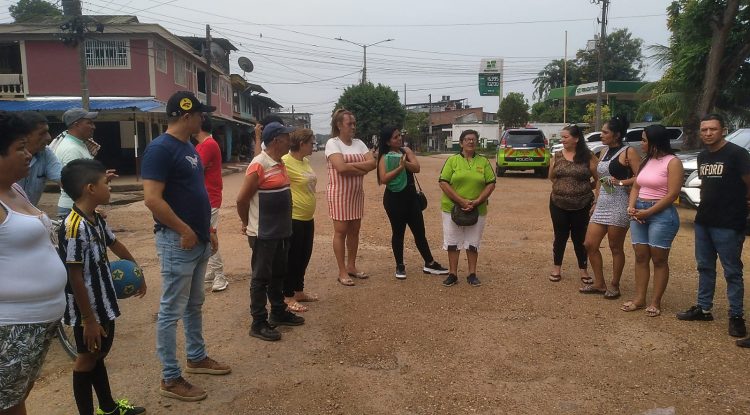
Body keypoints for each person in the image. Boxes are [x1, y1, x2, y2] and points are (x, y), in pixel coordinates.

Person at [142, 91, 231, 402]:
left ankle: (196, 356)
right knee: (170, 310)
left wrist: (207, 230)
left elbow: (195, 194)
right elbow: (152, 199)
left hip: (197, 238)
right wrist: (183, 229)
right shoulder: (160, 149)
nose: (202, 118)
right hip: (177, 241)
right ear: (185, 115)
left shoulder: (189, 147)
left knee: (194, 304)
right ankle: (170, 376)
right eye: (199, 114)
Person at [58, 159, 146, 415]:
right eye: (106, 183)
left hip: (103, 304)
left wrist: (137, 270)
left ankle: (108, 407)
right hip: (88, 310)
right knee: (85, 360)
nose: (110, 188)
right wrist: (89, 320)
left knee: (97, 356)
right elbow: (74, 276)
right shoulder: (74, 227)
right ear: (90, 189)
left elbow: (114, 244)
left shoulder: (95, 218)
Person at [0, 111, 67, 415]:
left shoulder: (14, 188)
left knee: (17, 396)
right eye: (20, 149)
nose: (29, 155)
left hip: (41, 320)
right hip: (12, 325)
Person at [674, 114, 750, 343]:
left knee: (732, 271)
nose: (708, 133)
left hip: (729, 222)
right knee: (704, 266)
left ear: (723, 130)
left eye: (713, 129)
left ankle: (736, 315)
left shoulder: (737, 154)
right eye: (704, 130)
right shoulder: (703, 156)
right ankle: (704, 308)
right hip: (704, 220)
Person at [237, 122, 305, 341]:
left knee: (278, 275)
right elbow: (241, 200)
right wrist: (247, 223)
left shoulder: (279, 162)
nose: (290, 140)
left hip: (281, 232)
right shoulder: (259, 165)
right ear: (277, 140)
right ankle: (258, 322)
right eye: (287, 137)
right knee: (260, 278)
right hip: (263, 234)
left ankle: (277, 312)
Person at [622, 125, 683, 317]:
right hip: (639, 212)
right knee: (640, 256)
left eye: (644, 140)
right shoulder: (645, 161)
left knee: (658, 259)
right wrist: (631, 207)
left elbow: (672, 194)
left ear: (655, 141)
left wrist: (648, 212)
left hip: (661, 214)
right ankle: (639, 298)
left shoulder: (672, 162)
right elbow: (636, 187)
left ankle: (655, 301)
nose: (641, 144)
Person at [377, 125, 448, 280]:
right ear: (388, 141)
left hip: (411, 198)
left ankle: (429, 263)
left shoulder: (406, 151)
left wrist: (405, 164)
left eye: (399, 135)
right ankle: (400, 266)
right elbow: (383, 179)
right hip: (393, 199)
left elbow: (417, 168)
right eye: (395, 137)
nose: (399, 138)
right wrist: (399, 169)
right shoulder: (383, 156)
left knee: (419, 232)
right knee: (398, 233)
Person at [581, 117, 641, 297]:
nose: (602, 134)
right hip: (603, 203)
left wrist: (622, 183)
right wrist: (596, 201)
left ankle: (614, 284)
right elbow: (600, 178)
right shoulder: (604, 151)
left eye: (606, 132)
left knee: (615, 247)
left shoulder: (628, 151)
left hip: (620, 202)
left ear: (617, 135)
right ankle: (599, 283)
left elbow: (640, 178)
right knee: (589, 244)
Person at [438, 129, 496, 287]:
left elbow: (491, 183)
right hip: (452, 208)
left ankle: (472, 273)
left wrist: (477, 201)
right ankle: (452, 273)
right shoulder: (452, 161)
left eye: (474, 139)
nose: (471, 142)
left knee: (472, 242)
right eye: (467, 139)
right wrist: (461, 201)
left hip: (478, 209)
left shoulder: (483, 162)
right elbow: (443, 181)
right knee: (452, 241)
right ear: (461, 142)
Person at [325, 109, 376, 286]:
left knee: (354, 231)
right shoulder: (333, 143)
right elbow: (341, 169)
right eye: (349, 124)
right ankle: (342, 271)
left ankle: (352, 266)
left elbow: (373, 164)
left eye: (354, 123)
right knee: (340, 232)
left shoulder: (359, 143)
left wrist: (349, 165)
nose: (353, 127)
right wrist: (362, 167)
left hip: (355, 194)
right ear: (339, 125)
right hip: (339, 194)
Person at [548, 124, 598, 284]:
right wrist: (564, 188)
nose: (562, 140)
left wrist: (587, 190)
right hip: (558, 202)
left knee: (580, 237)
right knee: (560, 235)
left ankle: (583, 269)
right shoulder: (557, 155)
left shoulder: (588, 156)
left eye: (565, 137)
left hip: (582, 204)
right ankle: (556, 268)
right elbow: (552, 177)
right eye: (562, 137)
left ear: (576, 139)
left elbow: (599, 179)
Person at [281, 128, 319, 312]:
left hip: (307, 217)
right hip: (294, 217)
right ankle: (287, 296)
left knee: (304, 255)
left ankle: (298, 291)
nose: (314, 146)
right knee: (293, 258)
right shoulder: (285, 161)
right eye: (311, 143)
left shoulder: (304, 161)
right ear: (302, 144)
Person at [195, 115, 228, 292]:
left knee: (208, 236)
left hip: (210, 197)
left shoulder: (208, 144)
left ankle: (220, 275)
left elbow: (194, 168)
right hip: (204, 196)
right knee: (206, 235)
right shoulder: (203, 144)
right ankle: (214, 271)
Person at [54, 108, 98, 218]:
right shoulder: (71, 149)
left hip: (78, 207)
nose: (93, 127)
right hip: (74, 208)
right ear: (76, 124)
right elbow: (76, 184)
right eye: (89, 123)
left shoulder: (79, 144)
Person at [15, 112, 62, 206]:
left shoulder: (45, 152)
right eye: (42, 133)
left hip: (27, 215)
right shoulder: (5, 156)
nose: (49, 137)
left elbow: (64, 179)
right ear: (24, 136)